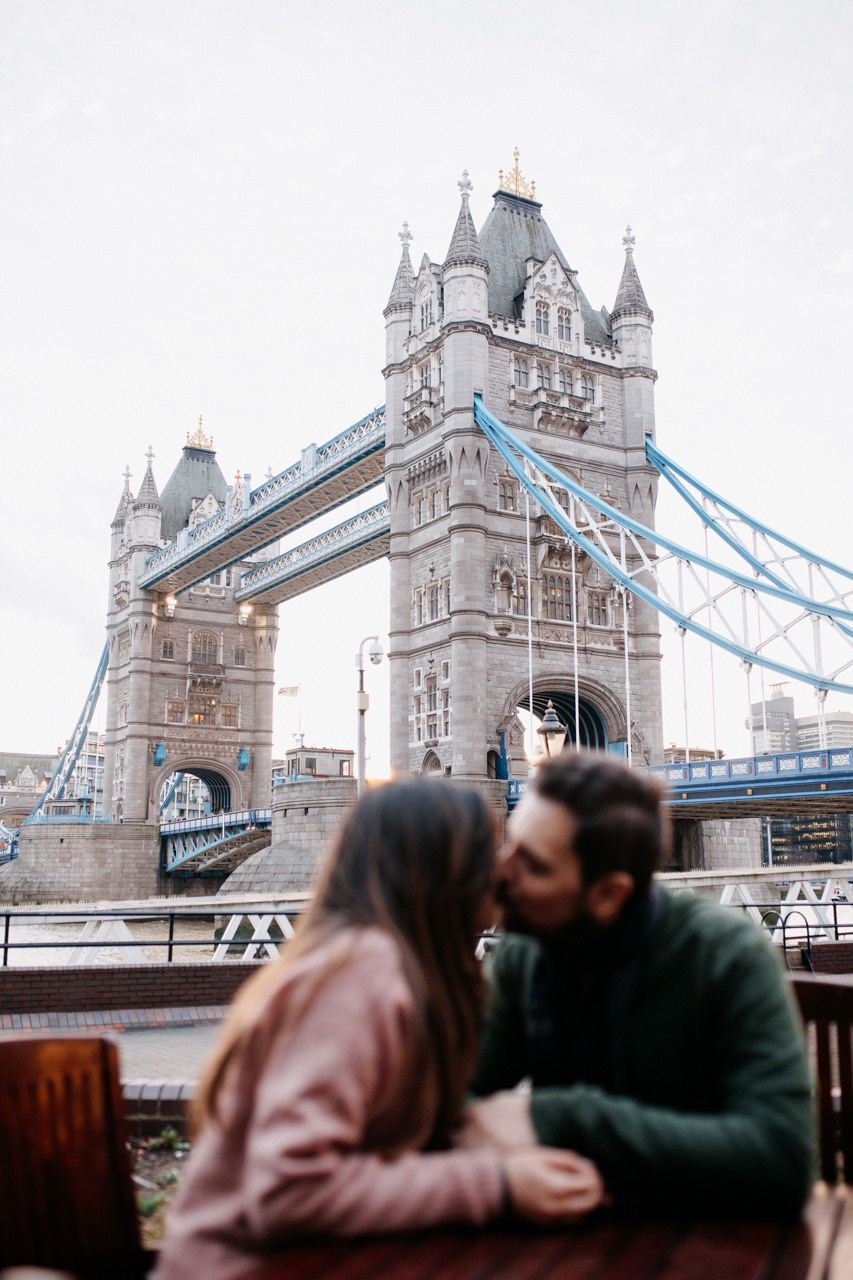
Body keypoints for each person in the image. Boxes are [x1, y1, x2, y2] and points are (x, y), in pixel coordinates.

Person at [154, 780, 605, 1280]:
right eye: (488, 852)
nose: (503, 869)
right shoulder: (361, 971)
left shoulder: (392, 964)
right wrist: (497, 1184)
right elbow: (289, 1191)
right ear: (441, 870)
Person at [463, 753, 815, 1217]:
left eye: (533, 864)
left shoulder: (725, 954)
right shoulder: (524, 953)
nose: (500, 873)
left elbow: (781, 1157)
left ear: (609, 894)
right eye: (511, 846)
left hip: (708, 1236)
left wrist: (565, 1119)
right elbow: (454, 1106)